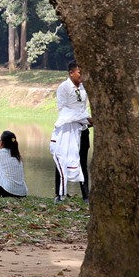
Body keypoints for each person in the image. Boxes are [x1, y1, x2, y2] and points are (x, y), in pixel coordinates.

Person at [50, 61, 92, 202]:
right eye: (79, 72)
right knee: (62, 159)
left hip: (82, 129)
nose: (82, 75)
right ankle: (59, 193)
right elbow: (63, 110)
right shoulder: (64, 88)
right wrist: (84, 118)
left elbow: (83, 108)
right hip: (67, 130)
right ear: (71, 73)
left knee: (82, 161)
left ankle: (86, 195)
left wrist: (85, 121)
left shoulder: (84, 88)